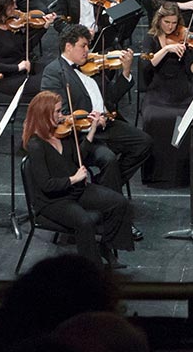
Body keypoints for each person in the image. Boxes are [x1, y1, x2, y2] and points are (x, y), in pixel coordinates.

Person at [40, 24, 152, 200]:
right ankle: (113, 203)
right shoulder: (53, 72)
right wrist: (90, 121)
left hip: (105, 125)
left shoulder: (92, 67)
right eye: (83, 46)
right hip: (82, 134)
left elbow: (112, 97)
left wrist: (126, 70)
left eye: (88, 46)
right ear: (69, 47)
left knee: (144, 142)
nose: (87, 50)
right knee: (108, 159)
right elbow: (60, 115)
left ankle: (104, 186)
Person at [22, 90, 133, 267]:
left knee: (119, 203)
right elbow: (46, 185)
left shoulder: (62, 134)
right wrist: (74, 179)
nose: (62, 115)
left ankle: (105, 246)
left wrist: (92, 131)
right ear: (44, 114)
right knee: (85, 222)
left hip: (75, 190)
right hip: (53, 201)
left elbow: (77, 156)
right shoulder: (36, 145)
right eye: (57, 112)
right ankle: (92, 269)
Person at [138, 2, 193, 187]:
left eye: (174, 22)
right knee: (153, 118)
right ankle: (157, 174)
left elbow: (191, 70)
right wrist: (166, 49)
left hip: (182, 89)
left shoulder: (183, 37)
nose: (171, 27)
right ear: (159, 20)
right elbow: (147, 64)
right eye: (167, 22)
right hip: (158, 90)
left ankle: (188, 174)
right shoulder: (151, 39)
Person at [0, 0, 55, 100]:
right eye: (12, 4)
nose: (16, 7)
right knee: (51, 82)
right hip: (7, 79)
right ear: (2, 7)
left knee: (56, 71)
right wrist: (17, 67)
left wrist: (44, 27)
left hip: (24, 68)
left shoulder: (12, 24)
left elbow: (25, 47)